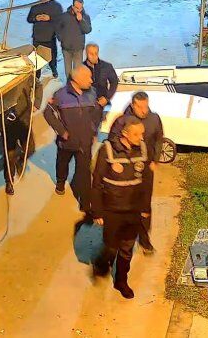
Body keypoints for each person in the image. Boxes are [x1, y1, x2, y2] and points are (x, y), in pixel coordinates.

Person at [92, 116, 151, 299]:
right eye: (136, 134)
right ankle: (103, 261)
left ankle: (121, 281)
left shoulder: (142, 149)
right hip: (112, 209)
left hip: (133, 209)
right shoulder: (107, 150)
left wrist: (145, 208)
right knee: (111, 246)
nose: (141, 138)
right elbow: (97, 183)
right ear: (125, 134)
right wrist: (97, 211)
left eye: (142, 133)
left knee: (127, 248)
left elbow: (146, 182)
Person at [107, 91, 163, 253]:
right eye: (140, 107)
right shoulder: (122, 121)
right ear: (133, 105)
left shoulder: (154, 119)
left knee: (145, 204)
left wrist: (155, 160)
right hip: (128, 168)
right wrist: (120, 159)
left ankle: (144, 239)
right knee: (125, 202)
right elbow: (112, 139)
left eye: (146, 106)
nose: (144, 110)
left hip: (147, 168)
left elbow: (159, 139)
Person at [43, 64, 101, 213]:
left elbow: (97, 113)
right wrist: (62, 132)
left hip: (85, 142)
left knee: (84, 172)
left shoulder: (92, 92)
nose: (91, 80)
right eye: (88, 77)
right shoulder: (60, 95)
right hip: (67, 142)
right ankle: (60, 183)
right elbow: (48, 112)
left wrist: (94, 131)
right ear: (77, 79)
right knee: (62, 164)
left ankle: (85, 203)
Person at [26, 0, 63, 79]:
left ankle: (53, 69)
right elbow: (29, 19)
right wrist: (35, 18)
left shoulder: (56, 6)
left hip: (50, 36)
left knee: (52, 55)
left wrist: (50, 18)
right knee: (36, 57)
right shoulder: (35, 6)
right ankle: (37, 75)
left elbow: (61, 20)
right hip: (37, 37)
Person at [57, 0, 92, 76]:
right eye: (77, 8)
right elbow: (58, 28)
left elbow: (87, 30)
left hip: (78, 48)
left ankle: (76, 83)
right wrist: (61, 39)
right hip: (66, 48)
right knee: (68, 71)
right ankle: (69, 83)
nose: (79, 10)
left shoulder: (85, 17)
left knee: (77, 72)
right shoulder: (64, 16)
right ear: (72, 6)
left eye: (81, 8)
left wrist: (81, 21)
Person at [84, 43, 118, 109]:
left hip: (104, 102)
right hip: (87, 104)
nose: (94, 56)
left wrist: (107, 98)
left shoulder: (106, 66)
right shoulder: (81, 68)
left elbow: (114, 82)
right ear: (86, 53)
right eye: (91, 54)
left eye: (96, 53)